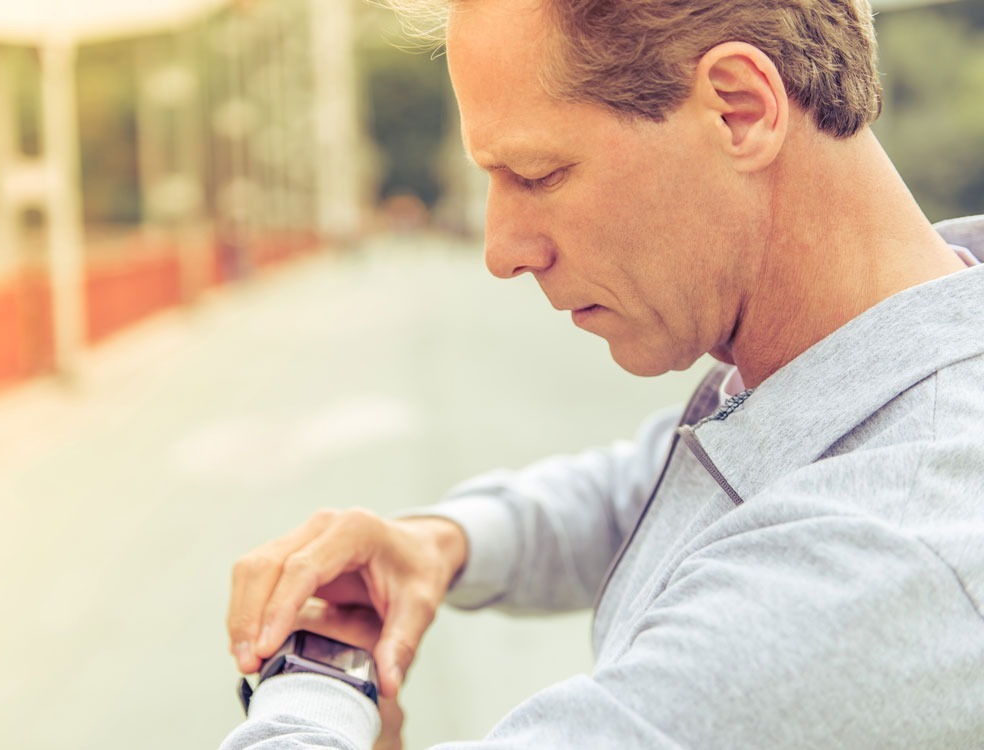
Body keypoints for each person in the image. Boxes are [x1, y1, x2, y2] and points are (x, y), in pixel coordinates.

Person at [221, 0, 984, 747]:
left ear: (740, 110)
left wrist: (314, 677)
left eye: (538, 174)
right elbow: (661, 483)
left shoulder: (877, 564)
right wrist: (444, 542)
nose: (502, 251)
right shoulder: (880, 350)